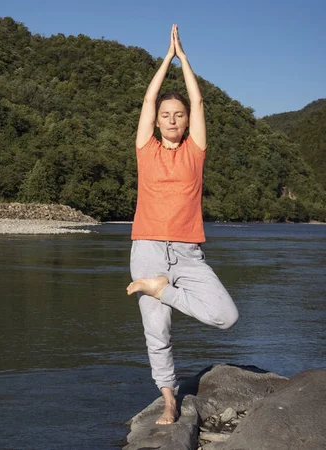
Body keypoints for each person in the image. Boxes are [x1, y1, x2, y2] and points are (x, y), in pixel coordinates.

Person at [126, 24, 239, 425]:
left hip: (189, 253)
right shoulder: (145, 149)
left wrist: (185, 60)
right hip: (149, 248)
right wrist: (165, 61)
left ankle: (161, 291)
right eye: (165, 115)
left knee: (226, 316)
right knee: (158, 334)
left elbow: (200, 100)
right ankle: (169, 399)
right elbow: (147, 98)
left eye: (179, 115)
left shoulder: (196, 150)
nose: (172, 119)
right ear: (157, 122)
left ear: (187, 121)